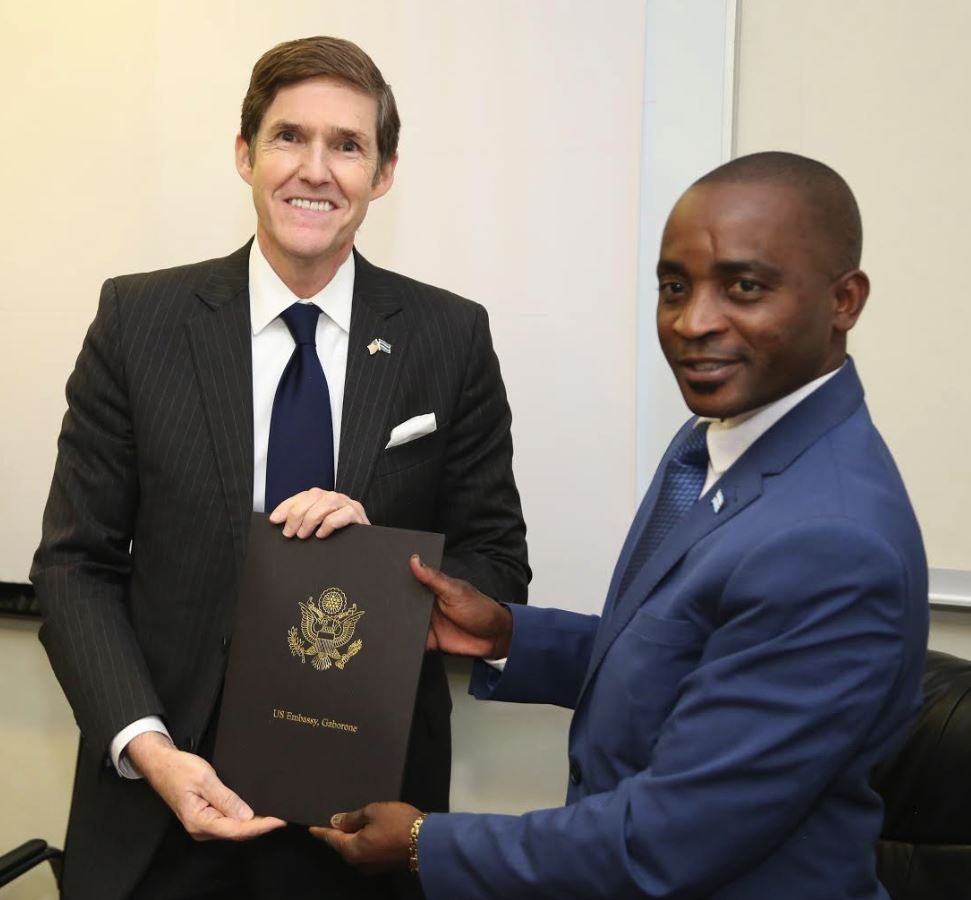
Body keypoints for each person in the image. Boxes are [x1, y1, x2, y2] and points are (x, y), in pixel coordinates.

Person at [314, 152, 929, 899]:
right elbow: (684, 655)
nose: (693, 322)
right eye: (675, 287)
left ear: (843, 300)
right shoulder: (720, 437)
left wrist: (422, 842)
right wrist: (510, 636)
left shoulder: (831, 542)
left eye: (744, 286)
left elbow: (666, 840)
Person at [31, 35, 529, 900]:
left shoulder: (449, 339)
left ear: (384, 172)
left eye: (348, 145)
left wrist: (390, 564)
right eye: (289, 137)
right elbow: (76, 565)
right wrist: (149, 749)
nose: (316, 169)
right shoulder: (137, 320)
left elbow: (496, 565)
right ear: (244, 154)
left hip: (364, 818)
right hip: (162, 805)